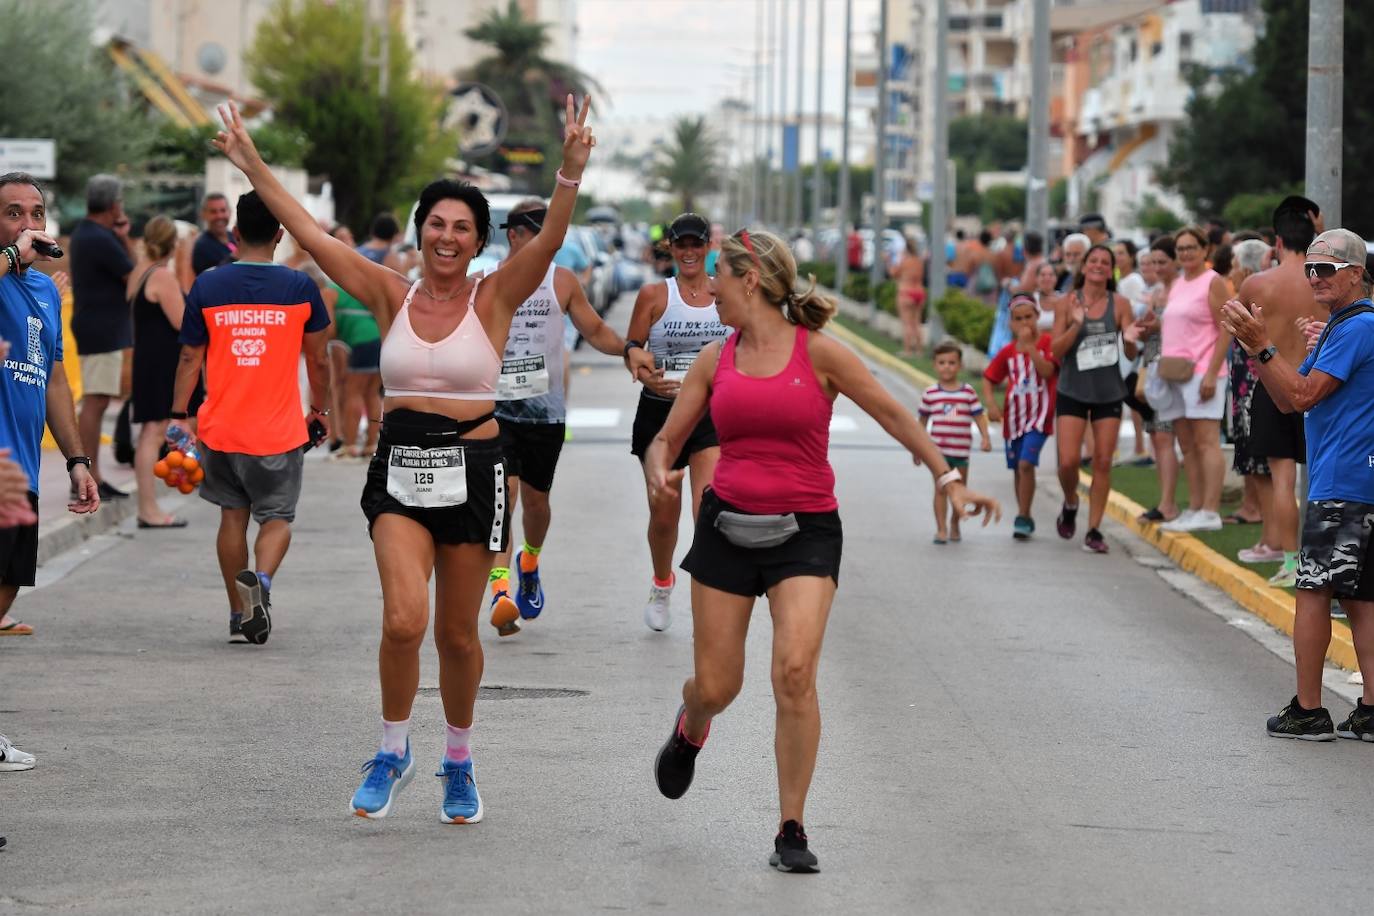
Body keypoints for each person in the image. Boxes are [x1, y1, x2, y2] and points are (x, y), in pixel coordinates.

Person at [215, 97, 594, 821]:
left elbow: (545, 243)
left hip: (476, 471)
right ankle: (392, 750)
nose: (446, 237)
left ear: (479, 242)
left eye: (461, 228)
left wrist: (569, 173)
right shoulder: (391, 293)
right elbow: (306, 230)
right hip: (400, 466)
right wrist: (250, 161)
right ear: (419, 232)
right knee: (401, 621)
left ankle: (458, 759)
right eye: (436, 224)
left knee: (457, 633)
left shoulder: (495, 297)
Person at [646, 228, 999, 873]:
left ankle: (791, 828)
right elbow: (667, 439)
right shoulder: (714, 359)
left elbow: (894, 414)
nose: (711, 290)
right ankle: (692, 723)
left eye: (719, 276)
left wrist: (949, 477)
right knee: (719, 685)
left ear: (748, 279)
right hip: (726, 526)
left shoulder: (822, 354)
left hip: (806, 530)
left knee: (796, 672)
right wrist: (659, 469)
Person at [1220, 228, 1374, 741]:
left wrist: (1262, 346)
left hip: (1344, 482)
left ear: (1356, 273)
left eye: (1326, 269)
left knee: (1313, 590)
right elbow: (1287, 397)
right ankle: (1370, 708)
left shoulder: (1356, 326)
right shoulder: (1342, 326)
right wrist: (1257, 350)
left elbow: (1303, 395)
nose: (1314, 277)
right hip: (1353, 479)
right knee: (1360, 599)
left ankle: (1309, 709)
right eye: (1310, 267)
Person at [169, 189, 332, 645]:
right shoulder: (300, 288)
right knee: (277, 518)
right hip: (279, 431)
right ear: (281, 234)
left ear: (236, 232)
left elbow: (189, 357)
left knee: (231, 517)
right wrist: (320, 411)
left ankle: (239, 614)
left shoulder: (208, 286)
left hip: (220, 429)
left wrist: (179, 416)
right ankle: (260, 581)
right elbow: (319, 360)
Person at [485, 199, 653, 636]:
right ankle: (500, 591)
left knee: (537, 503)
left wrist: (629, 349)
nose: (551, 242)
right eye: (543, 233)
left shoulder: (561, 281)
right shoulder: (486, 280)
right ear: (515, 234)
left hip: (545, 412)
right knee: (505, 493)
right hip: (493, 410)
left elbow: (595, 330)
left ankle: (530, 560)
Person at [0, 172, 101, 639]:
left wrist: (77, 461)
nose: (27, 224)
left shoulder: (43, 291)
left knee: (10, 580)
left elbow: (54, 380)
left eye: (35, 214)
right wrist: (10, 255)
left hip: (24, 465)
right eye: (12, 213)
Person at [625, 212, 731, 632]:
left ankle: (706, 600)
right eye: (681, 244)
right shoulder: (654, 294)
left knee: (708, 509)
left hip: (708, 415)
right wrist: (638, 362)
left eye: (696, 244)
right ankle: (661, 582)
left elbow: (741, 342)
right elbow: (632, 346)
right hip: (659, 414)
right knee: (665, 514)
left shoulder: (723, 294)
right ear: (669, 247)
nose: (689, 252)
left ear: (708, 248)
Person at [1233, 206, 1320, 584]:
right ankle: (1322, 559)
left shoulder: (1257, 284)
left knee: (1283, 481)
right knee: (1321, 482)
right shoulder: (1325, 283)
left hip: (1273, 384)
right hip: (1321, 385)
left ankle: (1290, 562)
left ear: (1278, 241)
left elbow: (1243, 336)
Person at [1050, 243, 1139, 554]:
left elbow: (1131, 349)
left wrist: (1130, 341)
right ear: (1084, 266)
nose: (1099, 265)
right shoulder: (1066, 302)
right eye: (1094, 260)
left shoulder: (1121, 304)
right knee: (1068, 461)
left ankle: (1094, 530)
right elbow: (1055, 352)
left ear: (1111, 269)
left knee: (1102, 461)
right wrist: (1076, 324)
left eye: (1105, 262)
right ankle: (1071, 501)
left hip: (1108, 391)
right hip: (1072, 389)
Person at [1154, 226, 1231, 533]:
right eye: (1180, 248)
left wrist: (1212, 372)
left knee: (1206, 442)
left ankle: (1211, 510)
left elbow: (1226, 328)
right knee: (1186, 444)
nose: (1185, 253)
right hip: (1175, 372)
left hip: (1202, 372)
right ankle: (1196, 506)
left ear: (1205, 250)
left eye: (1190, 247)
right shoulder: (1177, 283)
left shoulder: (1213, 281)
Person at [128, 216, 203, 528]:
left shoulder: (140, 272)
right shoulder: (162, 276)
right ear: (173, 244)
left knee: (150, 432)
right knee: (153, 433)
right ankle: (148, 509)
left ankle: (148, 506)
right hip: (161, 363)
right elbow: (183, 322)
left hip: (146, 358)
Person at [68, 173, 135, 500]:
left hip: (96, 326)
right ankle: (87, 474)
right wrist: (125, 237)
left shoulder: (88, 233)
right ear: (113, 205)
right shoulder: (100, 238)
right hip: (101, 329)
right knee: (95, 402)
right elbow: (132, 275)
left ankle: (88, 473)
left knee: (98, 399)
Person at [984, 293, 1058, 539]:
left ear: (1037, 317)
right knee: (1018, 467)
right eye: (1018, 319)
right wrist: (992, 404)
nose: (1024, 323)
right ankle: (1023, 513)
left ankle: (1023, 515)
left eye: (1029, 317)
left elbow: (1048, 372)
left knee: (1027, 464)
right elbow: (989, 378)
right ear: (1011, 323)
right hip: (1014, 418)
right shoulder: (1007, 352)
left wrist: (1032, 350)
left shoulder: (1047, 343)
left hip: (1039, 417)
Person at [919, 342, 991, 543]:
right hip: (938, 453)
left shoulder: (967, 393)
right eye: (942, 363)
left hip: (961, 453)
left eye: (952, 363)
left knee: (960, 490)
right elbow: (921, 423)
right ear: (935, 365)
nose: (947, 367)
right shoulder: (930, 394)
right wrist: (918, 449)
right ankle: (941, 528)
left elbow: (978, 416)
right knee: (941, 489)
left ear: (960, 366)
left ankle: (955, 523)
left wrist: (985, 437)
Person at [1225, 238, 1272, 537]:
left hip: (1254, 375)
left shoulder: (1255, 291)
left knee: (1253, 441)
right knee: (1244, 439)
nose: (1230, 272)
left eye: (1233, 266)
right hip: (1244, 372)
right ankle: (1249, 503)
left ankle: (1255, 507)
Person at [1135, 237, 1182, 523]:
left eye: (1161, 262)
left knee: (1165, 436)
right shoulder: (1154, 292)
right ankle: (1165, 500)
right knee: (1156, 436)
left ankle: (1168, 504)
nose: (1155, 267)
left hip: (1172, 367)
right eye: (1152, 262)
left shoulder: (1179, 290)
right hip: (1152, 366)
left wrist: (1157, 326)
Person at [1113, 239, 1152, 466]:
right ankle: (1137, 446)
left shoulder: (1133, 281)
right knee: (1128, 394)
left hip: (1133, 345)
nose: (1118, 257)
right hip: (1125, 342)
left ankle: (1140, 446)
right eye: (1115, 253)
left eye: (1121, 253)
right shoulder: (1123, 280)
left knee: (1132, 392)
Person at [890, 236, 926, 356]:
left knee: (907, 324)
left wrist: (889, 260)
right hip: (919, 292)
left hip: (906, 291)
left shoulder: (905, 261)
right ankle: (920, 350)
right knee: (917, 323)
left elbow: (894, 273)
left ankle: (908, 350)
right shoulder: (919, 261)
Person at [191, 192, 236, 275]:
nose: (219, 216)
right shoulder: (202, 247)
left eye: (223, 210)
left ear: (230, 212)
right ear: (203, 214)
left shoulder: (236, 237)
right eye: (213, 212)